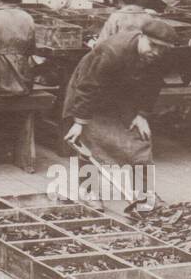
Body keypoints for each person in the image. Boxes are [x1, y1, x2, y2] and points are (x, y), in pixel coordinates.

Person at [62, 18, 177, 211]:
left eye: (162, 48)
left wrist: (142, 115)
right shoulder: (112, 51)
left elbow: (153, 84)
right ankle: (89, 190)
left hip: (123, 96)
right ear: (142, 37)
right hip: (90, 93)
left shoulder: (160, 56)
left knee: (140, 141)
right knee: (89, 142)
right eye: (153, 45)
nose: (156, 52)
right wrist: (79, 122)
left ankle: (145, 194)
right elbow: (88, 86)